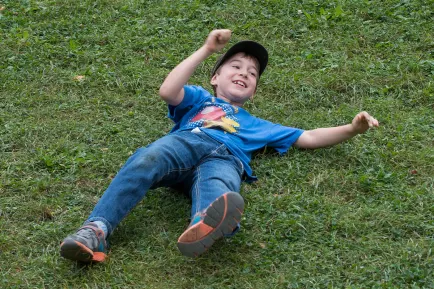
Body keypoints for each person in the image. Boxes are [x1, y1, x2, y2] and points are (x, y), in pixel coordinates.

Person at [60, 29, 379, 262]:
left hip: (226, 159)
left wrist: (352, 128)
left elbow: (308, 137)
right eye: (236, 67)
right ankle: (96, 231)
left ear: (253, 91)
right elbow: (169, 91)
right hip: (187, 142)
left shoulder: (257, 124)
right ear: (215, 77)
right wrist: (205, 49)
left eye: (252, 74)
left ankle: (204, 223)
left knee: (223, 187)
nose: (244, 74)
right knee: (148, 158)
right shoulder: (200, 98)